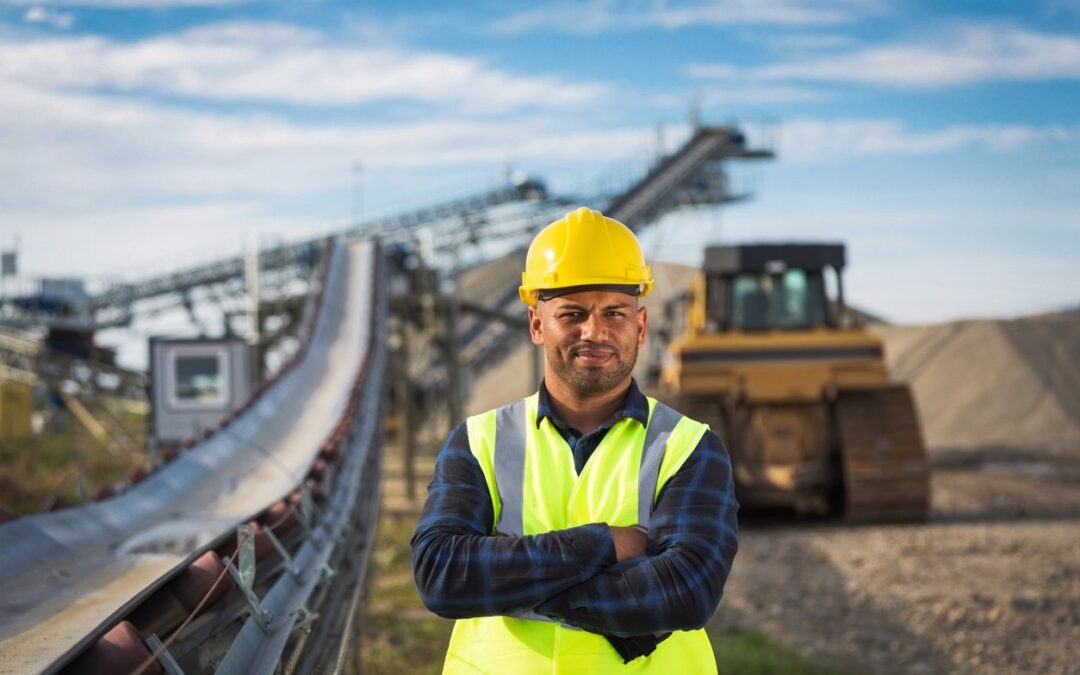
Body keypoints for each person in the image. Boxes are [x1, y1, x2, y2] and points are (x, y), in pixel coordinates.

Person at [411, 207, 739, 674]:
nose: (595, 331)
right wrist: (604, 544)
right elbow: (441, 575)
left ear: (640, 326)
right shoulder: (478, 441)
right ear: (537, 324)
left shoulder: (689, 447)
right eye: (573, 313)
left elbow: (686, 591)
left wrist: (511, 581)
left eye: (614, 313)